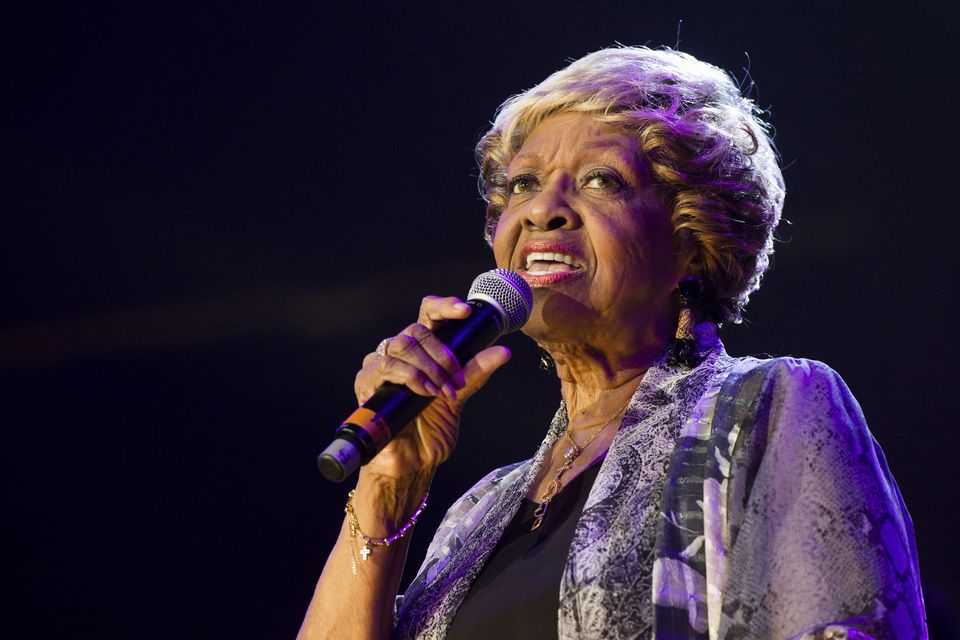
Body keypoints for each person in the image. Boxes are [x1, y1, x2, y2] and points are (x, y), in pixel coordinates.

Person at [298, 46, 926, 639]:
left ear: (691, 238)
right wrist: (387, 486)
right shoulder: (476, 514)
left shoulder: (767, 409)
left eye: (602, 180)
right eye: (522, 184)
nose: (544, 210)